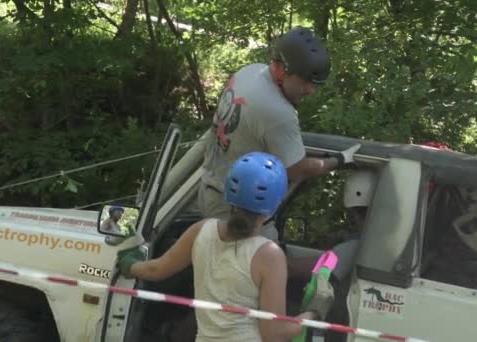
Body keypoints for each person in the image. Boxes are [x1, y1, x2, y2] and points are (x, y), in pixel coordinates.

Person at [117, 152, 334, 342]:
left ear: (229, 191)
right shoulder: (269, 255)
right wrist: (314, 314)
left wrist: (130, 264)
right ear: (275, 203)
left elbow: (156, 270)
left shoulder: (201, 230)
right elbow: (273, 335)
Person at [194, 26, 360, 225]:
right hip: (237, 214)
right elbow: (298, 171)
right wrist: (340, 160)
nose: (311, 90)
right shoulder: (278, 112)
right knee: (267, 255)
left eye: (316, 84)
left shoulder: (250, 72)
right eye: (306, 81)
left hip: (210, 191)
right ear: (282, 70)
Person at [287, 169, 377, 342]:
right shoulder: (368, 244)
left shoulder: (355, 247)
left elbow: (296, 268)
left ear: (354, 213)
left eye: (352, 215)